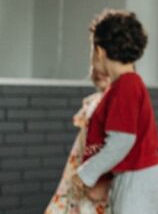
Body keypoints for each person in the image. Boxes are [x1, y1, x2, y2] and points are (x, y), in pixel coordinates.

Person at [73, 9, 158, 213]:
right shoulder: (125, 85)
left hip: (138, 175)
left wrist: (86, 174)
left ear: (99, 50)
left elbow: (121, 142)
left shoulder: (126, 86)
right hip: (137, 174)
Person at [45, 68, 111, 214]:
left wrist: (99, 180)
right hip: (81, 177)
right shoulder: (96, 102)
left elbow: (110, 148)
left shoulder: (111, 103)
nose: (98, 69)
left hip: (95, 184)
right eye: (94, 63)